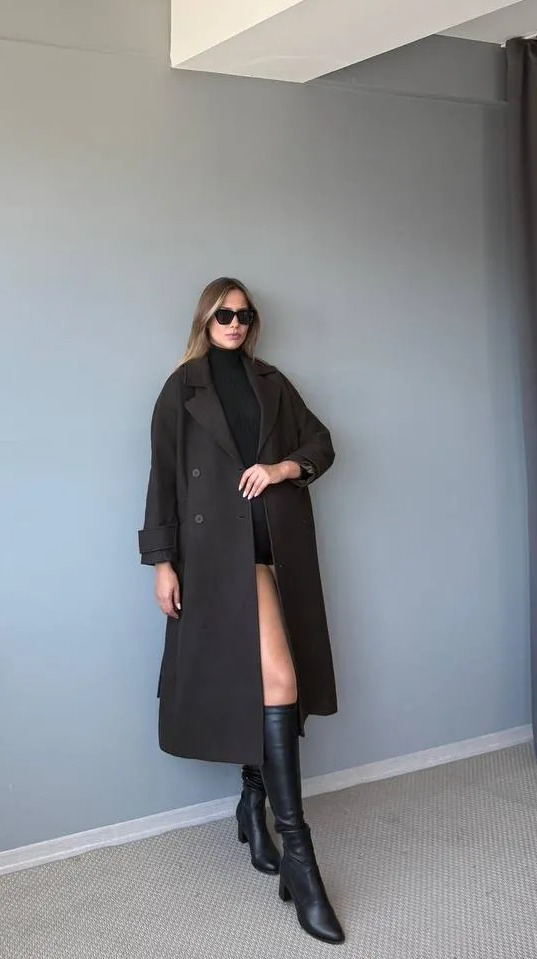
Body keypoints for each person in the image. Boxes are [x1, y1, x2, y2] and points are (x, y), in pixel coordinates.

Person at [138, 276, 344, 945]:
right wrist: (162, 562)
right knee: (278, 682)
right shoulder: (181, 389)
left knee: (271, 684)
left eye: (244, 314)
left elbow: (321, 445)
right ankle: (299, 857)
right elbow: (163, 479)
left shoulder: (273, 383)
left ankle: (254, 807)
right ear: (205, 318)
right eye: (224, 314)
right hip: (216, 558)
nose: (235, 322)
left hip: (278, 548)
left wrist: (282, 470)